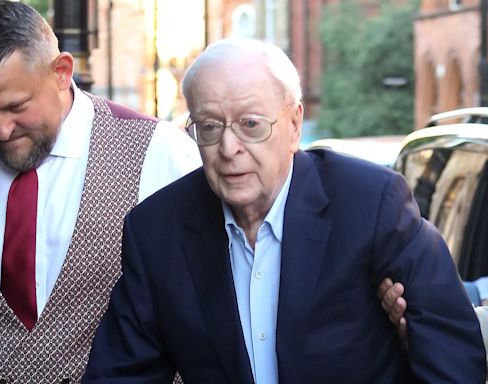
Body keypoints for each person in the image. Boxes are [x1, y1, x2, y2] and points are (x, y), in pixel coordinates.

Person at [82, 37, 486, 383]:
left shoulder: (369, 204)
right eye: (209, 127)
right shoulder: (158, 230)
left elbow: (452, 361)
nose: (228, 148)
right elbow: (120, 372)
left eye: (251, 125)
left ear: (294, 125)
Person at [0, 1, 200, 383]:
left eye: (17, 106)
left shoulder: (158, 152)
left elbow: (202, 313)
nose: (1, 130)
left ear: (62, 71)